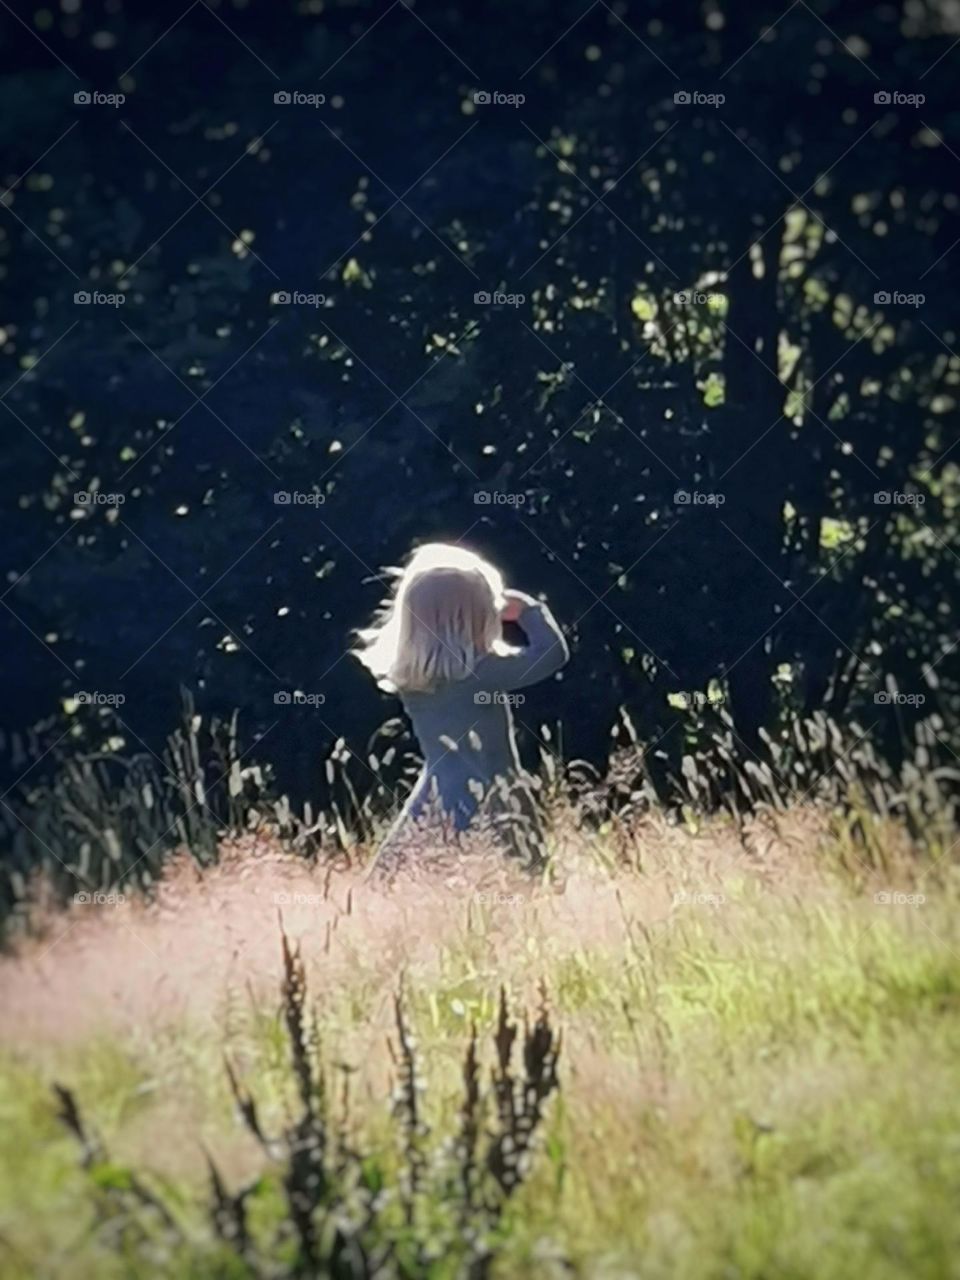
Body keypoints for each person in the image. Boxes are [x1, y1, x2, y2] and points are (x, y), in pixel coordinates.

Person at [352, 542, 569, 879]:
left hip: (437, 792)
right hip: (494, 791)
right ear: (478, 617)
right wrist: (529, 611)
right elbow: (551, 656)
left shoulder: (411, 676)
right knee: (524, 880)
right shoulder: (480, 671)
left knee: (400, 879)